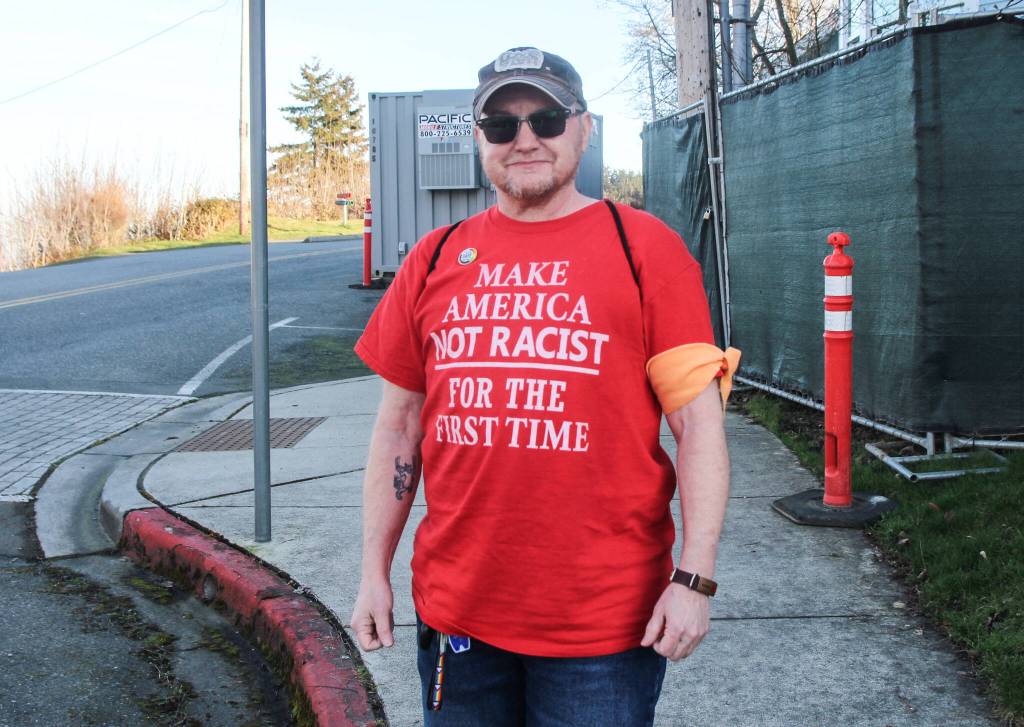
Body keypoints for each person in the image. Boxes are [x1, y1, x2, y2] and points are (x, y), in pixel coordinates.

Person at [350, 46, 740, 726]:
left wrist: (694, 577)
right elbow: (399, 428)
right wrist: (372, 573)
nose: (524, 139)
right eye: (501, 125)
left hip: (603, 630)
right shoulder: (434, 258)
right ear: (480, 140)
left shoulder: (644, 249)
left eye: (547, 119)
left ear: (583, 129)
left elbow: (698, 425)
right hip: (458, 618)